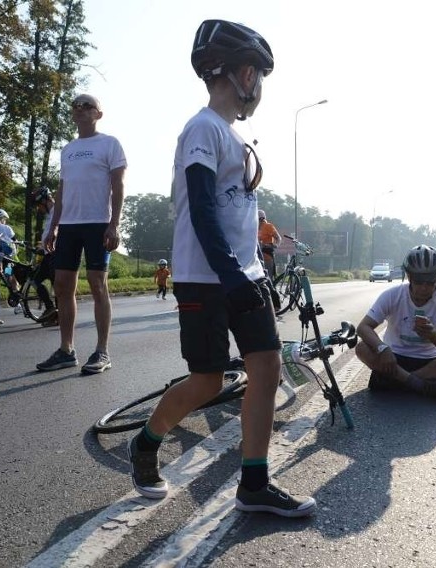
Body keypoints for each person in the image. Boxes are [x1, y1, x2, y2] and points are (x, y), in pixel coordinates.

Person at [127, 19, 316, 518]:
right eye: (258, 75)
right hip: (204, 275)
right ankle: (147, 443)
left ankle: (254, 481)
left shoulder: (232, 136)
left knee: (268, 366)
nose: (259, 87)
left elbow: (239, 215)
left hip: (242, 272)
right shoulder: (202, 129)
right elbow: (204, 209)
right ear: (244, 73)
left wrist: (256, 271)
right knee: (208, 381)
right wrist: (232, 274)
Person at [36, 93, 126, 375]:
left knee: (98, 284)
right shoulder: (68, 149)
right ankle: (66, 349)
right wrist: (53, 227)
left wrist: (114, 223)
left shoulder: (110, 144)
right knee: (62, 286)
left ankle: (102, 351)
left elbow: (118, 184)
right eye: (76, 105)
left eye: (87, 105)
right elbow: (62, 190)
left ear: (98, 114)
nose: (80, 109)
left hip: (98, 222)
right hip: (69, 226)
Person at [355, 245, 436, 402]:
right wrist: (382, 349)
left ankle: (397, 381)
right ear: (409, 277)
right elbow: (363, 327)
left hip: (430, 363)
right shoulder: (392, 295)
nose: (424, 288)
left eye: (430, 282)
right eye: (419, 281)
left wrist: (433, 335)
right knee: (362, 347)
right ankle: (419, 385)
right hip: (393, 358)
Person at [30, 187, 58, 327]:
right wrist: (40, 246)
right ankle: (50, 308)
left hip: (57, 254)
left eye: (38, 205)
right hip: (48, 255)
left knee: (57, 285)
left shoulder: (58, 212)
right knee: (34, 280)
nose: (38, 209)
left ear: (45, 201)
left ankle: (58, 316)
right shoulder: (49, 215)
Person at [257, 209, 281, 277]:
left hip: (267, 256)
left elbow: (278, 238)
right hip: (257, 256)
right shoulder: (256, 228)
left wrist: (275, 245)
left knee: (268, 277)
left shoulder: (268, 226)